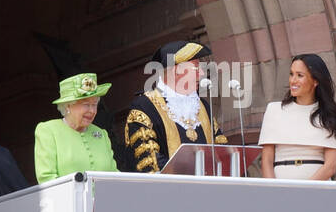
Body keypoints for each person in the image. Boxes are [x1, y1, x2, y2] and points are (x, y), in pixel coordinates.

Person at [123, 40, 227, 173]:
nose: (201, 73)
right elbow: (148, 162)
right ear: (178, 70)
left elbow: (222, 152)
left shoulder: (202, 106)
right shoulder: (145, 107)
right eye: (196, 67)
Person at [258, 53, 336, 180]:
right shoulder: (274, 110)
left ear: (315, 80)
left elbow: (330, 166)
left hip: (317, 191)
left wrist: (304, 191)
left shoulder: (332, 113)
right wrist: (273, 192)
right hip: (280, 190)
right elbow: (267, 161)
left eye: (300, 75)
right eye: (291, 74)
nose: (293, 80)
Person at [34, 73, 117, 182]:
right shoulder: (48, 131)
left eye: (95, 104)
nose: (92, 111)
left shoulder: (101, 134)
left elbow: (114, 175)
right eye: (86, 104)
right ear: (68, 105)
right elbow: (46, 178)